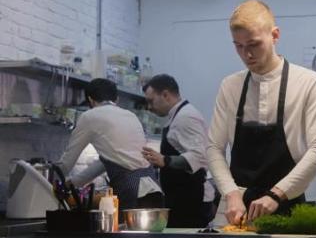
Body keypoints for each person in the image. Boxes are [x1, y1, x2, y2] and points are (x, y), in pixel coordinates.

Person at [207, 0, 316, 225]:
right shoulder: (230, 86)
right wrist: (231, 193)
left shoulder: (309, 82)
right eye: (238, 46)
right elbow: (214, 147)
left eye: (253, 44)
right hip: (238, 210)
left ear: (275, 35)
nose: (246, 54)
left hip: (288, 206)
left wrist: (276, 194)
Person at [58, 78, 163, 210]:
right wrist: (74, 183)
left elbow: (66, 164)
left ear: (90, 100)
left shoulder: (89, 116)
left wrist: (50, 178)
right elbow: (106, 162)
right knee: (154, 224)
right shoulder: (130, 115)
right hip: (152, 186)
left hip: (129, 187)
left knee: (124, 224)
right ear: (116, 99)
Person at [142, 74, 215, 228]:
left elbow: (199, 156)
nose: (149, 107)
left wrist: (165, 160)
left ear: (165, 95)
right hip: (182, 198)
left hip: (191, 201)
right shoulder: (178, 116)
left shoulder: (186, 117)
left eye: (151, 101)